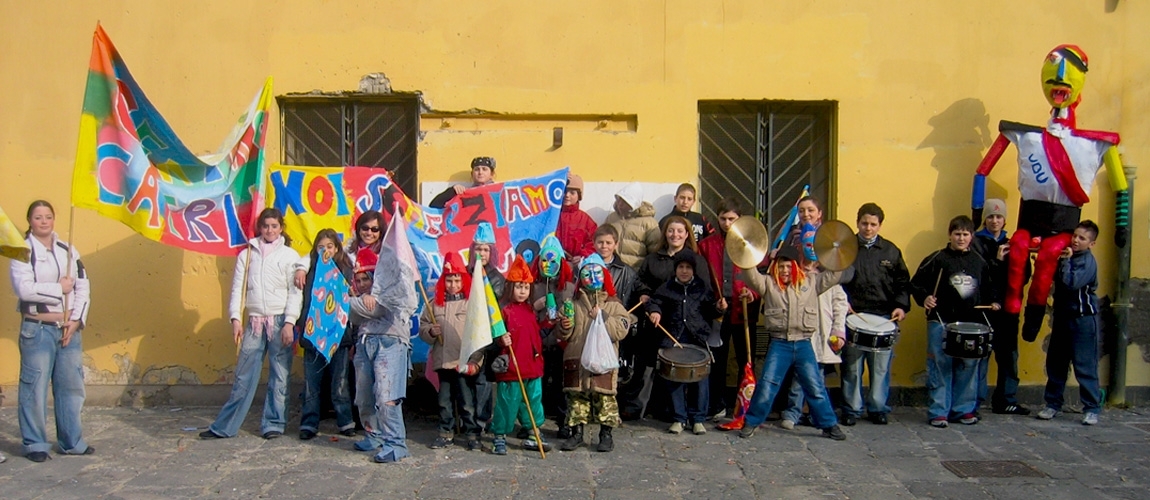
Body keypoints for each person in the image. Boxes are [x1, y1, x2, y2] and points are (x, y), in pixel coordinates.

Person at [201, 208, 302, 441]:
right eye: (265, 226)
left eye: (274, 226)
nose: (269, 230)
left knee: (280, 375)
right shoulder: (247, 254)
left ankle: (273, 423)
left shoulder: (290, 256)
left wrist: (289, 322)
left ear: (281, 228)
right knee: (244, 375)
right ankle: (226, 426)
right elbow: (238, 288)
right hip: (254, 322)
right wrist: (236, 318)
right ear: (260, 227)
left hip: (279, 321)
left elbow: (295, 293)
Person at [736, 246, 847, 441]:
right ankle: (751, 422)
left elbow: (833, 276)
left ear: (796, 267)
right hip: (780, 344)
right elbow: (750, 275)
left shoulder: (812, 282)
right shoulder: (768, 284)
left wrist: (837, 251)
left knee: (815, 386)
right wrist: (748, 252)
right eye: (780, 266)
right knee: (767, 385)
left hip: (804, 343)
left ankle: (829, 424)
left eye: (788, 266)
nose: (784, 271)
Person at [11, 200, 93, 462]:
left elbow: (82, 287)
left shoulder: (68, 251)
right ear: (30, 221)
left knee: (71, 387)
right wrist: (59, 289)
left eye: (48, 216)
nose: (43, 221)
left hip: (67, 327)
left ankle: (72, 441)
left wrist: (77, 319)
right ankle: (35, 443)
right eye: (38, 217)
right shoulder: (22, 252)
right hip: (37, 329)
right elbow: (24, 289)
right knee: (34, 388)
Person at [619, 216, 712, 420]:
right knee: (649, 365)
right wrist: (644, 294)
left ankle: (676, 412)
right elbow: (640, 281)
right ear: (665, 234)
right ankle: (640, 408)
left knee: (679, 365)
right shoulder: (653, 258)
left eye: (680, 231)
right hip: (655, 320)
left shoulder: (695, 260)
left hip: (685, 324)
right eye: (671, 231)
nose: (675, 235)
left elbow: (705, 292)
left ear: (687, 234)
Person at [911, 215, 999, 428]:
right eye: (957, 234)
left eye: (965, 234)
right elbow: (915, 284)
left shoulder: (979, 261)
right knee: (940, 366)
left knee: (968, 366)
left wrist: (994, 301)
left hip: (971, 323)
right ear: (949, 235)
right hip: (941, 321)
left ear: (971, 236)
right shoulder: (937, 258)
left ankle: (963, 409)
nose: (961, 238)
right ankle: (938, 411)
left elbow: (989, 288)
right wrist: (925, 298)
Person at [837, 203, 911, 426]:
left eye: (873, 224)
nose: (868, 228)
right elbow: (835, 279)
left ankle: (878, 407)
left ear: (880, 225)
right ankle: (851, 408)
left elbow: (903, 282)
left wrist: (901, 306)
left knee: (880, 368)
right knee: (851, 367)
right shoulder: (846, 249)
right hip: (854, 316)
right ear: (857, 222)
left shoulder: (890, 251)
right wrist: (843, 303)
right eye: (864, 223)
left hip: (883, 317)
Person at [350, 226, 419, 463]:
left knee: (387, 396)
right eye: (357, 280)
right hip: (365, 344)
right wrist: (355, 301)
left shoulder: (392, 292)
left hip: (391, 344)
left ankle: (395, 443)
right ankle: (374, 435)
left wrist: (345, 301)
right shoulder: (359, 297)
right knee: (364, 396)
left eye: (365, 278)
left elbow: (372, 309)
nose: (361, 284)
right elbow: (357, 314)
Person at [557, 254, 632, 452]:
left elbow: (621, 330)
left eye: (596, 273)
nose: (592, 277)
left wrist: (603, 317)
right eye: (587, 274)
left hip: (603, 363)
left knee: (605, 399)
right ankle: (576, 433)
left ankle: (606, 434)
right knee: (576, 400)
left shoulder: (614, 305)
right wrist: (564, 326)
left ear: (605, 276)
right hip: (576, 359)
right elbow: (563, 335)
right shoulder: (572, 305)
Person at [646, 249, 726, 435]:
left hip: (697, 337)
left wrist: (719, 308)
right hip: (674, 337)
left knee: (700, 379)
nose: (684, 271)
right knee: (676, 379)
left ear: (693, 270)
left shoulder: (702, 287)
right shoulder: (666, 288)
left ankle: (698, 418)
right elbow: (654, 301)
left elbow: (712, 310)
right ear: (675, 269)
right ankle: (678, 418)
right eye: (681, 267)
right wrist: (655, 311)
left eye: (688, 268)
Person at [696, 197, 760, 419]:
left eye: (731, 219)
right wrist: (713, 302)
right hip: (718, 311)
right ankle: (717, 404)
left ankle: (745, 403)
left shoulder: (752, 243)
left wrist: (753, 293)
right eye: (723, 218)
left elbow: (761, 277)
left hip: (744, 310)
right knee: (718, 359)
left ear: (739, 219)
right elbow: (702, 280)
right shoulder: (706, 245)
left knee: (746, 358)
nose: (727, 223)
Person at [1037, 220, 1104, 425]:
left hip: (1083, 320)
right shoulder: (1067, 255)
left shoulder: (1087, 262)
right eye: (1075, 236)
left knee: (1084, 365)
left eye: (1082, 238)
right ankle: (1052, 404)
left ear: (1091, 244)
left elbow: (1071, 282)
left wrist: (1065, 262)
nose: (1076, 240)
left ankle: (1091, 407)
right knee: (1056, 364)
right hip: (1063, 318)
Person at [419, 251, 485, 450]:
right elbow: (423, 326)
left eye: (457, 280)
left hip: (462, 361)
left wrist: (475, 359)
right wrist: (430, 331)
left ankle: (472, 434)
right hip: (442, 362)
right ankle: (445, 432)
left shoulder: (470, 303)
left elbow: (478, 330)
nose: (453, 284)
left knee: (466, 402)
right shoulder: (434, 304)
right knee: (444, 401)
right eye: (449, 280)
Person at [971, 199, 1029, 416]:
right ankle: (973, 401)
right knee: (980, 357)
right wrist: (996, 262)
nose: (994, 221)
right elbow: (978, 276)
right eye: (990, 216)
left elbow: (1025, 275)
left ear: (1005, 220)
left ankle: (1006, 399)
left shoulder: (1014, 242)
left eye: (999, 217)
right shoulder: (976, 242)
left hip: (1008, 310)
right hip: (983, 309)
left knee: (1008, 356)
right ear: (984, 219)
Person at [298, 229, 357, 440]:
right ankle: (309, 423)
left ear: (337, 248)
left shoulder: (346, 270)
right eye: (321, 247)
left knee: (339, 383)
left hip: (338, 336)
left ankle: (345, 421)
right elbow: (301, 299)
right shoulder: (309, 271)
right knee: (311, 384)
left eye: (330, 247)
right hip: (313, 335)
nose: (325, 251)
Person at [491, 256, 551, 455]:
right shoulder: (504, 311)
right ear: (510, 288)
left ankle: (534, 431)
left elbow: (536, 334)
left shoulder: (531, 311)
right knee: (507, 402)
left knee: (533, 402)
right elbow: (495, 334)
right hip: (511, 367)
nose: (523, 291)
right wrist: (501, 339)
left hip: (532, 366)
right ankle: (499, 435)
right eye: (518, 287)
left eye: (526, 287)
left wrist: (550, 323)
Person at [532, 235, 577, 439]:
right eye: (544, 261)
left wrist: (567, 316)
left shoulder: (569, 288)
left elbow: (576, 312)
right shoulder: (533, 286)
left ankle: (564, 423)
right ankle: (534, 424)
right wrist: (535, 308)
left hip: (561, 344)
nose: (548, 265)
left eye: (553, 262)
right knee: (537, 385)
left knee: (561, 386)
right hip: (539, 343)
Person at [468, 221, 504, 431]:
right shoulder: (464, 273)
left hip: (486, 336)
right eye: (478, 249)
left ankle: (482, 420)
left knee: (482, 381)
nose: (481, 253)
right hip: (466, 334)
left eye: (485, 249)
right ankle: (467, 419)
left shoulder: (497, 279)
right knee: (465, 380)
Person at [604, 182, 661, 269]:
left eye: (625, 202)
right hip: (612, 271)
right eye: (619, 200)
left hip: (636, 273)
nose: (620, 204)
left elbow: (655, 253)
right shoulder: (612, 218)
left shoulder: (649, 224)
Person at [556, 173, 598, 267]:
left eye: (572, 193)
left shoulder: (585, 220)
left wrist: (583, 255)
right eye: (564, 191)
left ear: (579, 196)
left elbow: (595, 242)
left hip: (576, 266)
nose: (567, 195)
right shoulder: (552, 216)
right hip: (553, 265)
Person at [429, 156, 497, 209]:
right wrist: (452, 191)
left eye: (484, 169)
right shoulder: (464, 193)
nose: (480, 172)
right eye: (477, 169)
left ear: (492, 174)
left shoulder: (499, 193)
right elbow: (433, 206)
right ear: (472, 174)